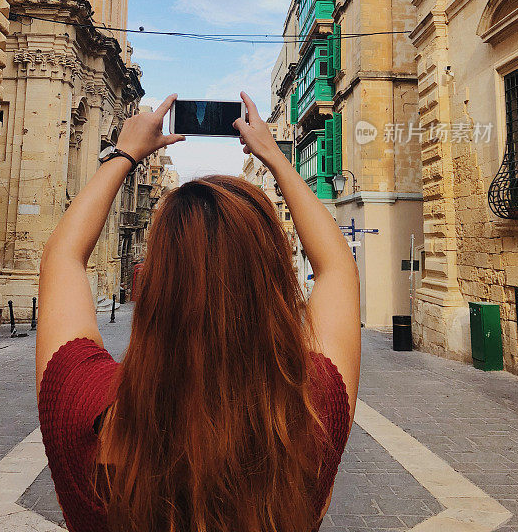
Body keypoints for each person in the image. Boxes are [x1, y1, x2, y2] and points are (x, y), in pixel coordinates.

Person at [36, 92, 361, 532]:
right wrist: (274, 157)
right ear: (275, 287)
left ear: (154, 289)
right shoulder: (314, 412)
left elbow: (62, 257)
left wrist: (123, 154)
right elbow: (338, 266)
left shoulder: (84, 409)